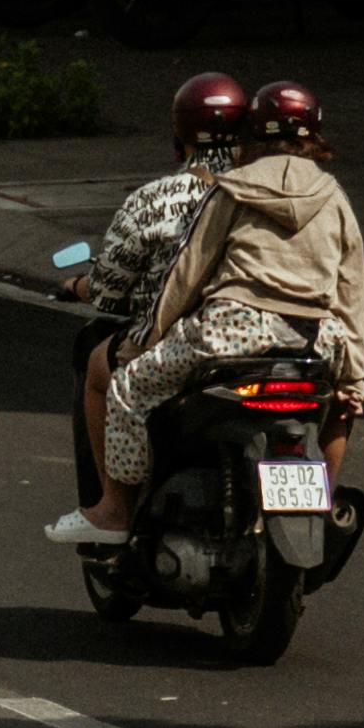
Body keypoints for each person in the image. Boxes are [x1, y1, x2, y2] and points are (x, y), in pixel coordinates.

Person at [50, 77, 364, 546]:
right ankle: (317, 507)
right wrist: (355, 375)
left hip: (229, 332)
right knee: (341, 404)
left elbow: (188, 272)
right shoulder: (333, 196)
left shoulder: (232, 189)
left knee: (125, 389)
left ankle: (116, 510)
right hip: (314, 336)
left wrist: (144, 342)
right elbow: (351, 288)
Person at [56, 78, 243, 518]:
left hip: (189, 342)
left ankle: (109, 508)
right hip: (283, 338)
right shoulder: (272, 198)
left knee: (98, 363)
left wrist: (80, 286)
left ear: (179, 143)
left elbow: (108, 293)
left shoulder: (155, 201)